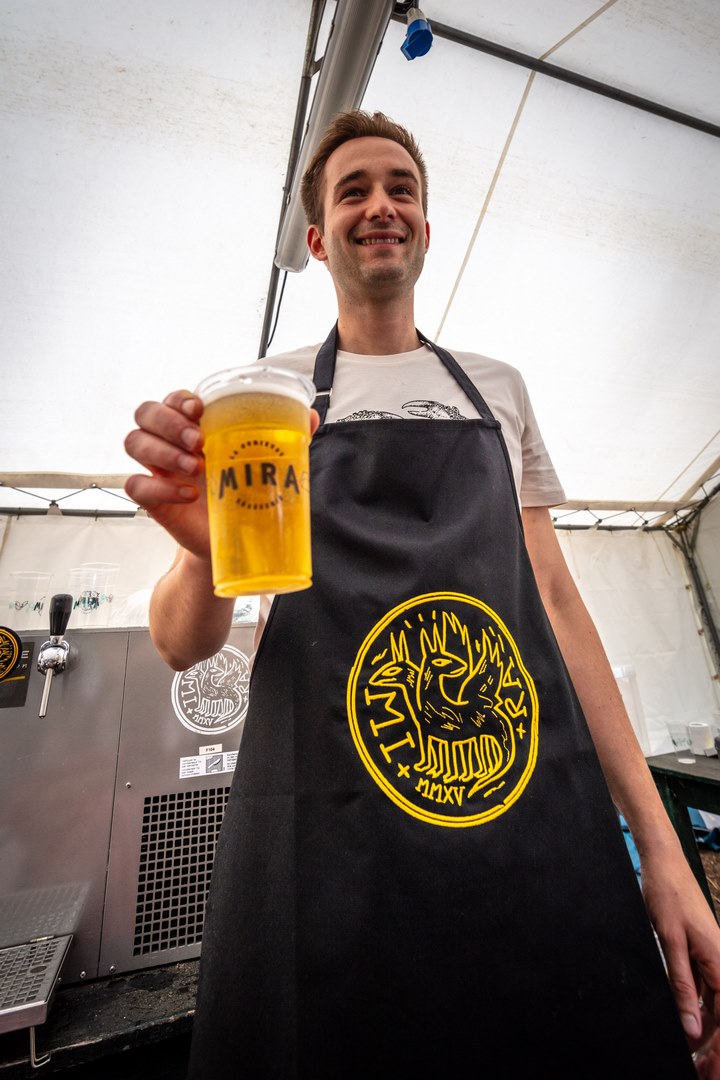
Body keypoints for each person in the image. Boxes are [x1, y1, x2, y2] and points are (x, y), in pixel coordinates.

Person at [125, 110, 720, 1078]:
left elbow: (558, 602)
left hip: (526, 823)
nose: (380, 206)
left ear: (427, 228)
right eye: (353, 191)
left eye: (400, 188)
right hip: (334, 840)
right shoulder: (259, 401)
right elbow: (179, 644)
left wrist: (660, 849)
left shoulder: (498, 389)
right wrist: (200, 558)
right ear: (318, 239)